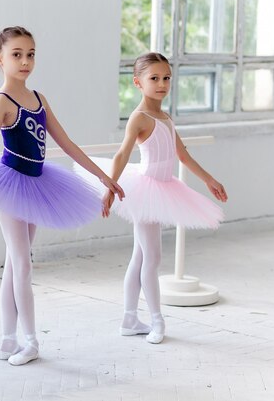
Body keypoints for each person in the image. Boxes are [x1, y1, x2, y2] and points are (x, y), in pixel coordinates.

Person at [0, 26, 124, 366]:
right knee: (23, 263)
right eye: (16, 54)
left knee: (14, 264)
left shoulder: (38, 98)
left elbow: (66, 144)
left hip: (39, 183)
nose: (24, 61)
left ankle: (8, 339)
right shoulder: (1, 101)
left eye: (30, 54)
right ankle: (31, 341)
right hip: (11, 183)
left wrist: (103, 176)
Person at [80, 52, 227, 344]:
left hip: (164, 186)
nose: (162, 84)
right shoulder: (140, 118)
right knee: (154, 257)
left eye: (166, 78)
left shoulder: (165, 117)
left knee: (140, 256)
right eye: (154, 78)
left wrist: (209, 179)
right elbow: (122, 154)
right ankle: (157, 320)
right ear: (138, 82)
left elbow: (181, 154)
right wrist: (110, 189)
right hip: (144, 190)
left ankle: (129, 318)